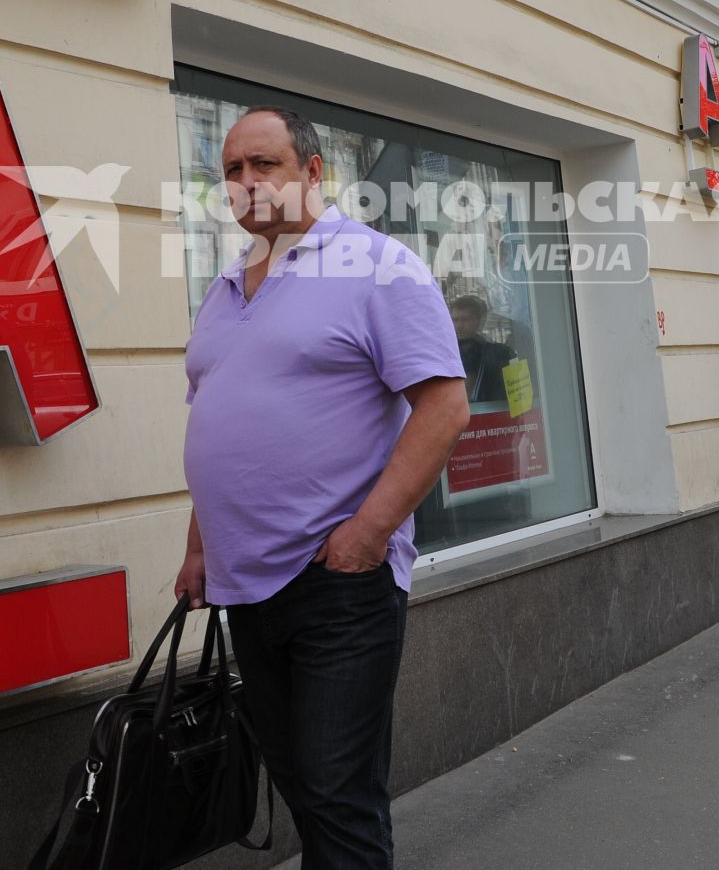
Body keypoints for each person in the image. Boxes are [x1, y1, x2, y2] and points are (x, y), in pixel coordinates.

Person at [175, 105, 470, 870]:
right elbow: (217, 425)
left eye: (263, 164)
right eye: (232, 169)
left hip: (339, 582)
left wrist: (368, 532)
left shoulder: (377, 265)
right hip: (245, 588)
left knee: (339, 792)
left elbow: (444, 408)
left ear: (312, 172)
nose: (246, 182)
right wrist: (199, 545)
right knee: (301, 784)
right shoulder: (222, 291)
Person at [448, 294, 517, 405]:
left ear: (481, 321)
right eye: (455, 320)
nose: (459, 326)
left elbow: (517, 396)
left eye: (465, 319)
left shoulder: (501, 354)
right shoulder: (446, 354)